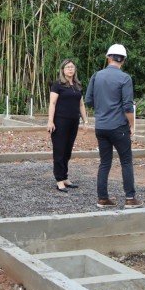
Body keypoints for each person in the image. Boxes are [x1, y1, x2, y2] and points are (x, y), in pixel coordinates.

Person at [85, 44, 143, 209]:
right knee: (126, 161)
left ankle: (102, 198)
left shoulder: (96, 76)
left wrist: (103, 107)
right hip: (118, 127)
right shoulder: (125, 78)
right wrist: (132, 124)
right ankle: (130, 198)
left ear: (108, 57)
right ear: (123, 60)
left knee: (104, 162)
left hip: (101, 126)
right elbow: (127, 106)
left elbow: (88, 100)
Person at [47, 59, 89, 192]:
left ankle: (65, 177)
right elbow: (52, 104)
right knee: (59, 150)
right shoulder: (57, 85)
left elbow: (81, 104)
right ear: (63, 70)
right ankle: (59, 179)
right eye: (67, 67)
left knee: (67, 151)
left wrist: (85, 121)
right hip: (60, 121)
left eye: (72, 67)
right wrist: (50, 121)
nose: (70, 69)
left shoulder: (77, 85)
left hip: (73, 122)